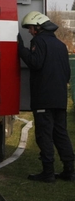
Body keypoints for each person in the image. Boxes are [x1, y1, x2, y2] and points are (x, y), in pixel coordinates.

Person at [18, 11, 74, 182]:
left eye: (30, 28)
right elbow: (67, 74)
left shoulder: (39, 41)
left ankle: (48, 173)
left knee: (44, 135)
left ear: (38, 27)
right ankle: (70, 171)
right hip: (59, 98)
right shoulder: (60, 45)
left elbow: (35, 62)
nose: (29, 32)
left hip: (44, 98)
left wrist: (20, 48)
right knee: (61, 134)